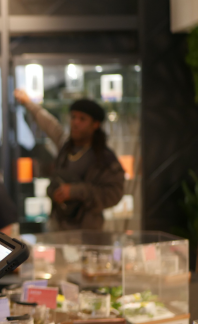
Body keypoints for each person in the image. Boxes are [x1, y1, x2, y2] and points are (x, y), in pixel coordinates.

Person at [14, 89, 124, 230]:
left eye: (82, 119)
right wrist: (28, 103)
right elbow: (48, 123)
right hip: (58, 226)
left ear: (95, 124)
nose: (75, 122)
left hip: (88, 231)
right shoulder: (65, 144)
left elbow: (114, 194)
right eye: (73, 117)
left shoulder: (104, 157)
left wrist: (76, 191)